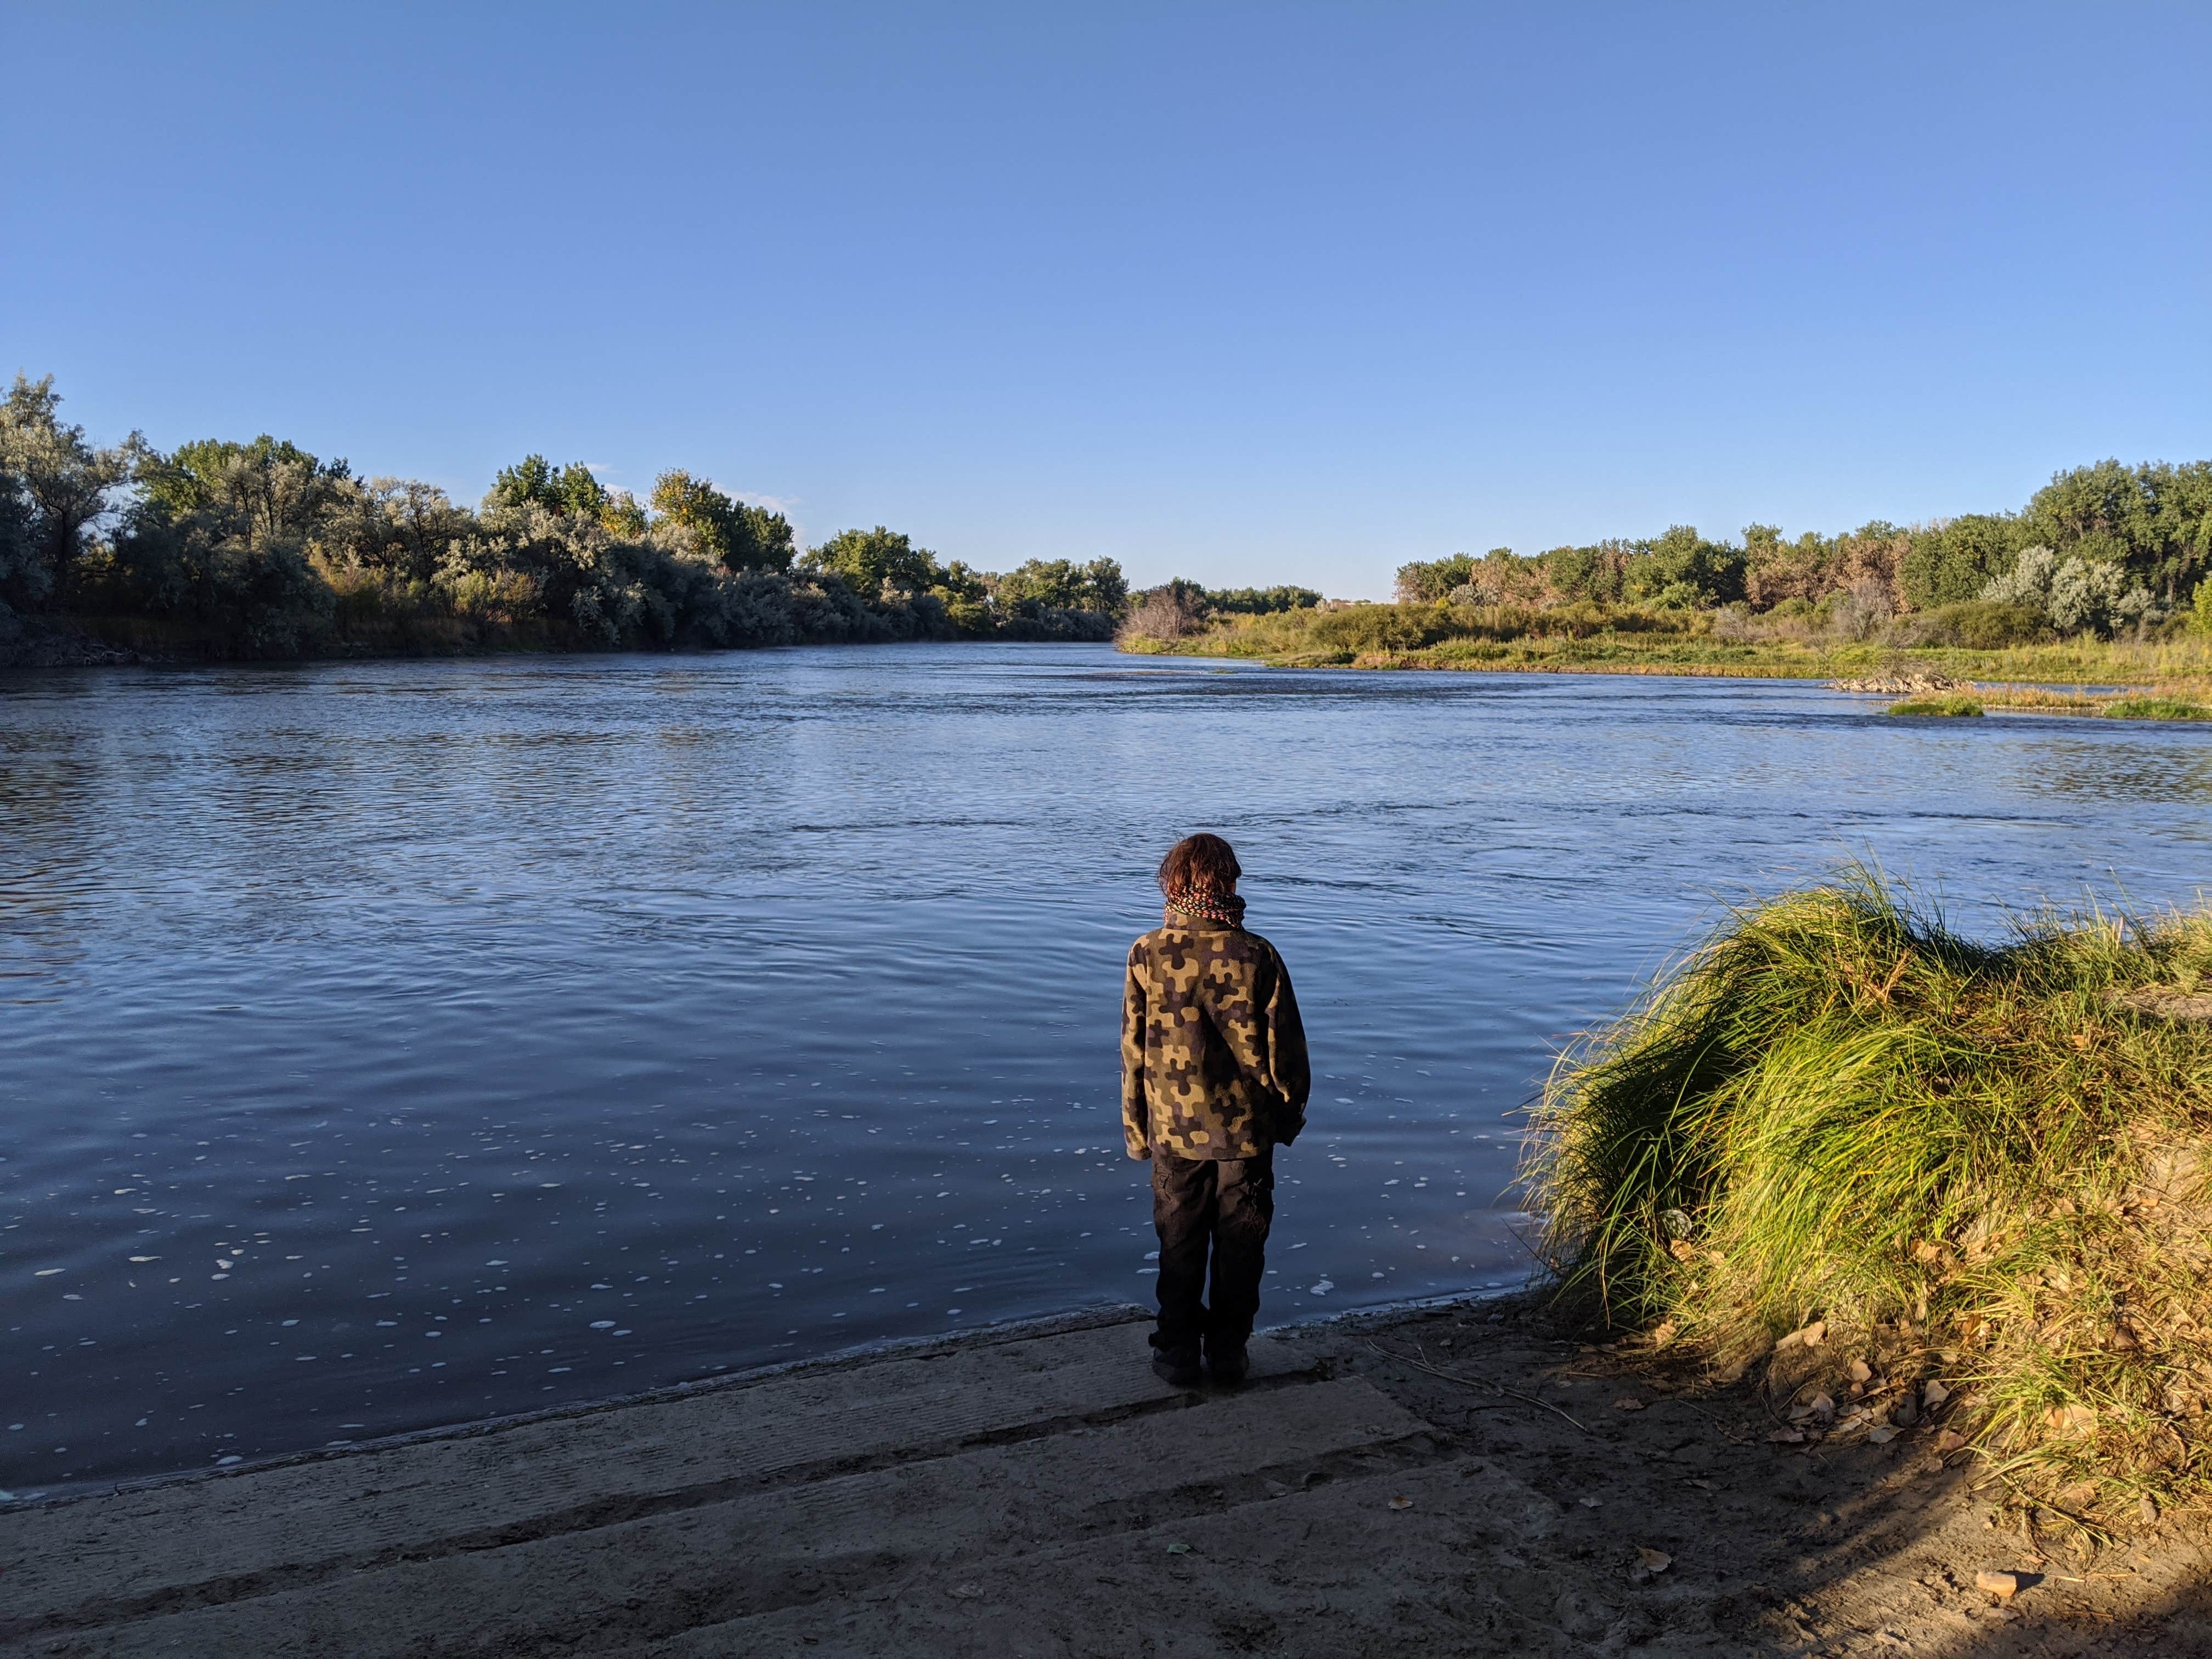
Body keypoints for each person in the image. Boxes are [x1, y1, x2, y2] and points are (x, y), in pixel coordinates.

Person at [1120, 833, 1310, 1386]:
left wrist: (1137, 1131)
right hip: (1245, 1134)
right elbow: (1288, 1057)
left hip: (1173, 1132)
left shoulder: (1147, 954)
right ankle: (1228, 1354)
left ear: (1172, 883)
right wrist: (1287, 1120)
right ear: (1229, 882)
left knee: (1178, 1242)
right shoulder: (1258, 956)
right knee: (1241, 1244)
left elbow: (1134, 1053)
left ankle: (1177, 1353)